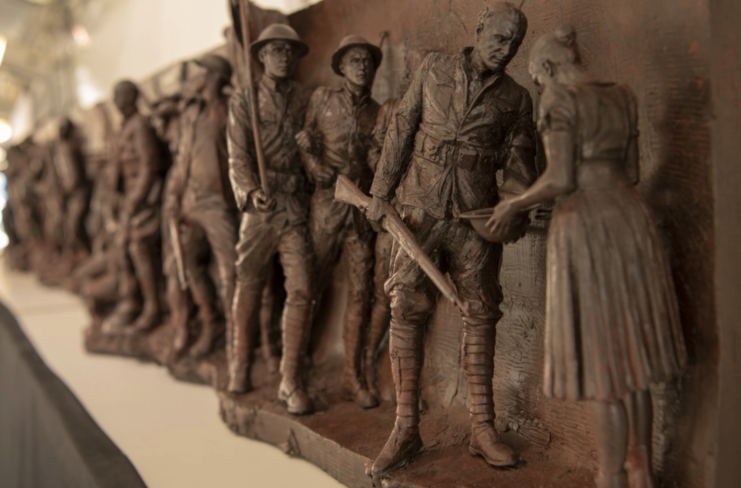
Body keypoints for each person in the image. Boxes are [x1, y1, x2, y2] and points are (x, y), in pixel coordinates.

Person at [487, 25, 687, 488]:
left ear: (549, 69)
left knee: (603, 364)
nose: (540, 88)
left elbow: (559, 178)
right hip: (630, 220)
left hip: (588, 226)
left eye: (538, 79)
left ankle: (611, 474)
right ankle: (642, 468)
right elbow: (633, 171)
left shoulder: (559, 98)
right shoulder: (622, 94)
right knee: (634, 362)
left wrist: (513, 203)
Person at [365, 2, 536, 476]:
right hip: (418, 210)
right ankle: (405, 428)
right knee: (406, 306)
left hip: (475, 219)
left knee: (481, 311)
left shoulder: (517, 98)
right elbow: (401, 129)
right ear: (479, 28)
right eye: (499, 38)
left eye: (514, 44)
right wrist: (380, 193)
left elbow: (523, 168)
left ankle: (483, 428)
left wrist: (513, 209)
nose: (505, 50)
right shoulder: (434, 68)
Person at [227, 24, 315, 415]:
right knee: (248, 283)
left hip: (295, 203)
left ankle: (290, 380)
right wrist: (249, 191)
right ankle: (240, 363)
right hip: (259, 207)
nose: (283, 56)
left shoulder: (306, 98)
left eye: (288, 51)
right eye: (275, 50)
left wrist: (311, 148)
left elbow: (318, 152)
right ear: (261, 56)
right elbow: (237, 155)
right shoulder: (244, 99)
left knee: (301, 289)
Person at [297, 35, 382, 409]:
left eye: (367, 60)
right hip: (326, 209)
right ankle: (295, 370)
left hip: (359, 214)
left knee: (361, 293)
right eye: (354, 60)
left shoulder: (377, 112)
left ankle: (352, 376)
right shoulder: (322, 99)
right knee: (309, 286)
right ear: (341, 67)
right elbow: (307, 140)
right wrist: (314, 165)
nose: (361, 66)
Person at [164, 54, 238, 358]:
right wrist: (174, 197)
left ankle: (237, 334)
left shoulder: (229, 109)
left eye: (200, 73)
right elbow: (182, 161)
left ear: (212, 78)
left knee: (232, 270)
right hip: (190, 201)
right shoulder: (191, 114)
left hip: (218, 203)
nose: (194, 78)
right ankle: (211, 323)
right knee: (185, 264)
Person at [103, 80, 165, 334]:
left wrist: (134, 202)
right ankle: (131, 301)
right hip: (129, 200)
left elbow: (150, 167)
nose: (116, 102)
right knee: (123, 249)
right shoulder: (125, 127)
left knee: (140, 249)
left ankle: (152, 309)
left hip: (144, 201)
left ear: (130, 98)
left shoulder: (140, 126)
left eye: (119, 96)